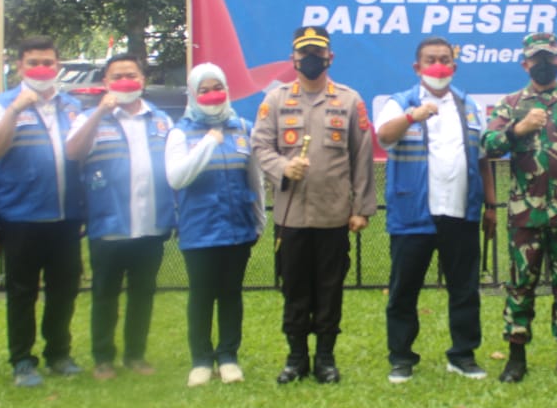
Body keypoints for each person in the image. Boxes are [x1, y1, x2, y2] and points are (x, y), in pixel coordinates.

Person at [251, 26, 376, 384]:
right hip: (291, 217)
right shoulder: (275, 101)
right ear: (293, 59)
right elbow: (260, 147)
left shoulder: (349, 101)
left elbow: (361, 157)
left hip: (333, 216)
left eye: (317, 53)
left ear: (329, 58)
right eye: (303, 53)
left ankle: (325, 358)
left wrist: (361, 209)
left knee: (329, 289)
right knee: (293, 287)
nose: (310, 59)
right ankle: (295, 358)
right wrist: (282, 168)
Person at [482, 31, 557, 383]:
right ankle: (516, 357)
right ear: (525, 64)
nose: (542, 64)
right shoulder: (511, 104)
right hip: (525, 214)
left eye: (548, 58)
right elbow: (489, 145)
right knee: (520, 285)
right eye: (535, 59)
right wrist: (518, 128)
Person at [376, 36, 497, 384]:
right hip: (413, 213)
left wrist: (490, 205)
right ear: (417, 68)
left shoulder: (470, 106)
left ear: (454, 67)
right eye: (431, 60)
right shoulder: (400, 103)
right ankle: (401, 358)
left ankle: (462, 356)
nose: (438, 66)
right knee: (404, 291)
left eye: (444, 60)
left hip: (461, 212)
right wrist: (412, 116)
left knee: (464, 288)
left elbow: (484, 158)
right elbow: (384, 136)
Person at [65, 53, 175, 380]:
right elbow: (73, 152)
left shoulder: (161, 120)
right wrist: (100, 111)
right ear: (105, 83)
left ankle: (135, 355)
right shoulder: (88, 118)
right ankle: (103, 358)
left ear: (142, 80)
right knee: (105, 295)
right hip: (108, 225)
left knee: (143, 294)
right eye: (118, 76)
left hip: (150, 225)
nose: (126, 81)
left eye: (132, 74)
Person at [0, 36, 85, 387]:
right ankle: (22, 360)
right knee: (23, 291)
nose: (42, 69)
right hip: (22, 216)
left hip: (66, 217)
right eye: (34, 63)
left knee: (64, 289)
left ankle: (59, 353)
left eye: (48, 62)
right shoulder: (1, 104)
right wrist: (15, 111)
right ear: (19, 65)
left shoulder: (72, 106)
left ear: (58, 65)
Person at [166, 63, 265, 387]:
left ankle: (228, 356)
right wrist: (208, 142)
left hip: (238, 227)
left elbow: (255, 178)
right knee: (202, 294)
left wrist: (259, 219)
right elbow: (177, 177)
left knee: (231, 294)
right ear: (194, 94)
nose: (212, 95)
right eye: (204, 90)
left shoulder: (243, 128)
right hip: (200, 230)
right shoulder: (181, 132)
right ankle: (200, 359)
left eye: (217, 87)